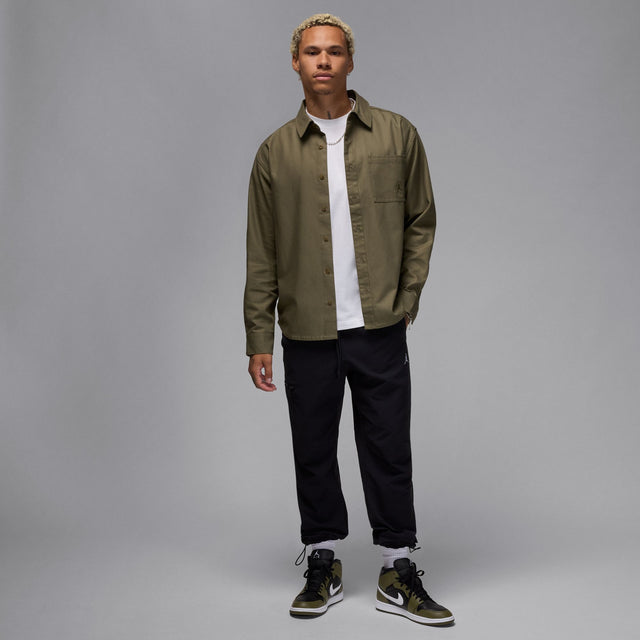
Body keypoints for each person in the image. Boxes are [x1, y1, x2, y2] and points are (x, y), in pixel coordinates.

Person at [243, 13, 454, 626]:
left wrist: (406, 298)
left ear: (351, 62)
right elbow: (261, 251)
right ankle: (323, 562)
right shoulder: (274, 153)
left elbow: (422, 221)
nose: (324, 61)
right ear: (296, 63)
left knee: (388, 446)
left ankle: (397, 568)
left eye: (334, 51)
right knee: (313, 448)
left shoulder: (396, 135)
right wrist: (259, 335)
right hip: (306, 327)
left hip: (379, 325)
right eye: (312, 52)